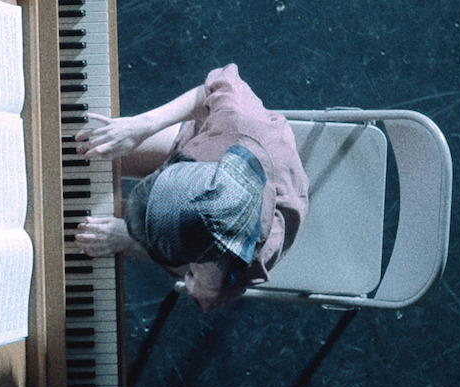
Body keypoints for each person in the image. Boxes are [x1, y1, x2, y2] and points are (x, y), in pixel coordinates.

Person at [73, 65, 310, 311]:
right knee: (92, 150)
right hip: (227, 149)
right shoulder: (237, 120)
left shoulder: (229, 267)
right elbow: (209, 91)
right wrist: (143, 125)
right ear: (184, 165)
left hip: (229, 239)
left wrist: (128, 240)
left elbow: (197, 283)